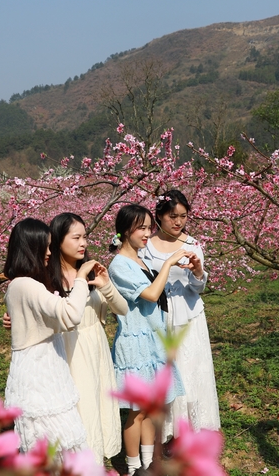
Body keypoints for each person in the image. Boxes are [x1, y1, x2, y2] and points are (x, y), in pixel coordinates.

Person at [2, 217, 106, 453]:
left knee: (54, 441)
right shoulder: (26, 284)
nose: (50, 252)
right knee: (55, 439)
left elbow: (48, 319)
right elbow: (69, 315)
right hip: (40, 370)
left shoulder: (21, 284)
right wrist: (81, 279)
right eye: (45, 246)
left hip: (45, 366)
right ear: (32, 248)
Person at [108, 204, 186, 476]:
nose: (146, 233)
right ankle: (131, 468)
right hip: (135, 343)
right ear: (125, 231)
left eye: (148, 227)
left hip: (152, 339)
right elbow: (152, 295)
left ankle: (147, 465)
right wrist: (168, 263)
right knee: (137, 411)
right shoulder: (119, 265)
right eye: (140, 228)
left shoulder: (140, 260)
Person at [48, 212, 128, 462]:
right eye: (76, 237)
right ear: (58, 240)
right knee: (80, 408)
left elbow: (122, 309)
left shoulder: (94, 271)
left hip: (95, 346)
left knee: (98, 405)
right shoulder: (48, 277)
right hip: (69, 350)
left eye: (85, 237)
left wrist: (104, 285)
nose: (84, 243)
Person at [141, 189, 220, 436]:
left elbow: (198, 288)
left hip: (189, 315)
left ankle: (189, 431)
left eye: (183, 216)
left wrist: (198, 272)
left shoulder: (193, 245)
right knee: (165, 371)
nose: (178, 222)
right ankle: (166, 431)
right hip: (159, 314)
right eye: (172, 216)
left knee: (191, 369)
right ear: (159, 216)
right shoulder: (146, 247)